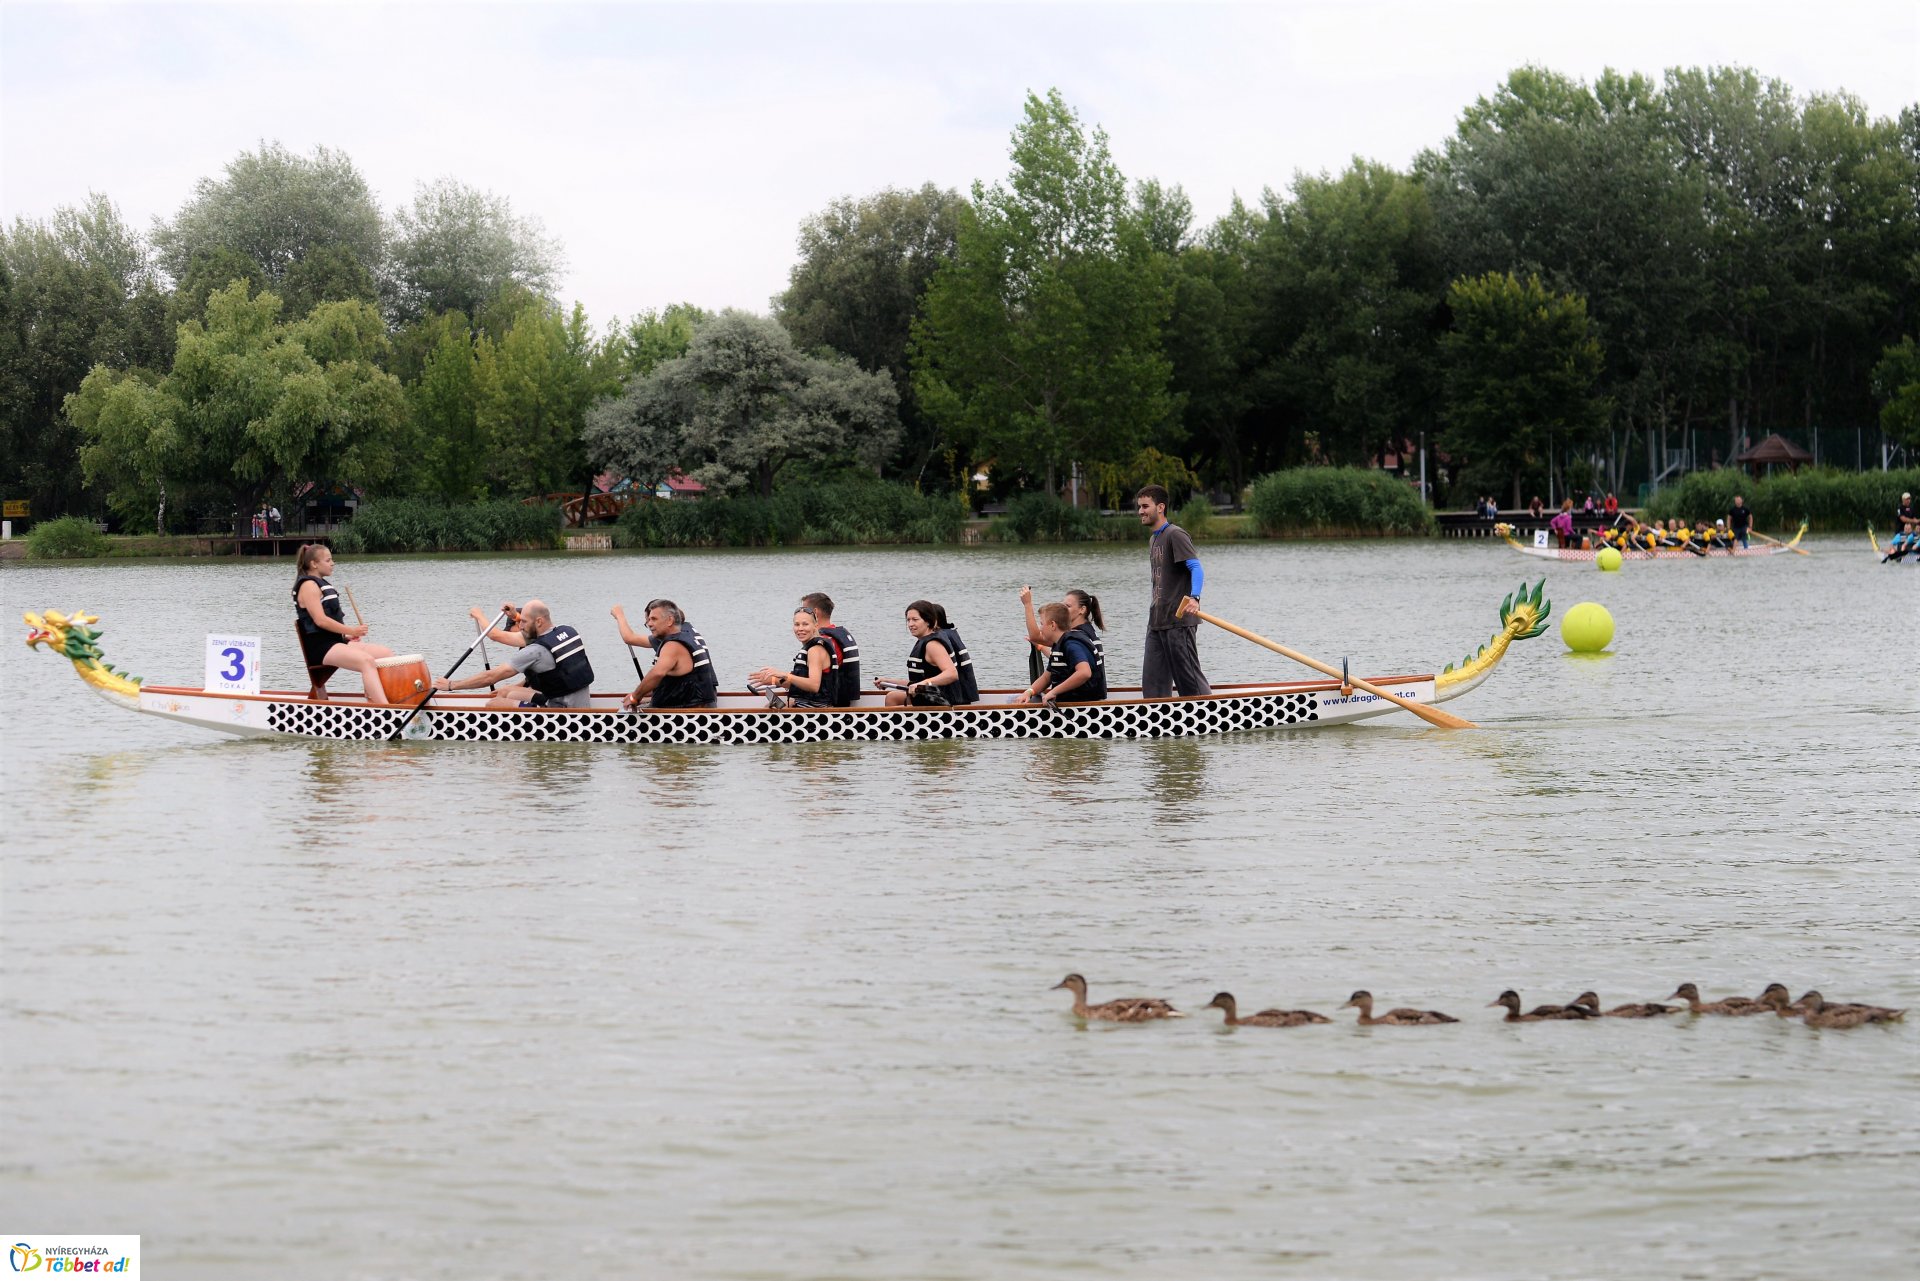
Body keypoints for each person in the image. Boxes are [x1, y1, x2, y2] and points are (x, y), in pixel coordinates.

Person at [432, 600, 595, 709]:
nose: (520, 625)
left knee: (493, 704)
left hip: (559, 712)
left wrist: (452, 685)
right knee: (504, 692)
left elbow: (491, 677)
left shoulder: (535, 650)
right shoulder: (568, 631)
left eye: (523, 621)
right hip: (574, 702)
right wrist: (516, 616)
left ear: (538, 622)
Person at [292, 544, 395, 703]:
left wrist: (345, 635)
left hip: (335, 642)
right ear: (314, 564)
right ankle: (384, 709)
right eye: (328, 560)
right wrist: (352, 630)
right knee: (366, 662)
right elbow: (320, 620)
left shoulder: (320, 583)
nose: (333, 563)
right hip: (320, 647)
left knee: (386, 654)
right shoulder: (308, 586)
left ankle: (378, 700)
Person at [1135, 484, 1211, 698]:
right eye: (1139, 507)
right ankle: (1158, 722)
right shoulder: (1153, 538)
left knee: (1189, 681)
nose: (1140, 511)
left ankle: (1207, 714)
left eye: (1145, 506)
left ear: (1160, 507)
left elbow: (1196, 568)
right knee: (1153, 684)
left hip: (1179, 620)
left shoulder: (1175, 534)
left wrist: (1194, 598)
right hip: (1156, 621)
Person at [615, 599, 718, 709]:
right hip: (694, 706)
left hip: (686, 717)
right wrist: (643, 696)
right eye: (648, 620)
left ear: (670, 621)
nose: (649, 624)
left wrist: (634, 697)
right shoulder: (687, 636)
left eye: (653, 619)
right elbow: (677, 684)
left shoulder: (673, 645)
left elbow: (657, 673)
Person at [881, 600, 979, 706]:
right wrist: (888, 681)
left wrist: (924, 683)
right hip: (931, 697)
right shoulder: (925, 640)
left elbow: (952, 674)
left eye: (915, 620)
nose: (910, 624)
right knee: (893, 696)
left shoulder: (932, 645)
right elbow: (916, 683)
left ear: (928, 621)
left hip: (943, 704)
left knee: (892, 698)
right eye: (908, 620)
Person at [747, 606, 839, 708]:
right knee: (769, 707)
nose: (800, 629)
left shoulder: (815, 650)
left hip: (816, 711)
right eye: (797, 624)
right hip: (805, 704)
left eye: (805, 624)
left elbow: (814, 686)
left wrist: (785, 675)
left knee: (767, 711)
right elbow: (800, 684)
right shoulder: (810, 647)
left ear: (815, 625)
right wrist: (773, 680)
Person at [1016, 602, 1107, 705]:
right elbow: (1047, 677)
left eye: (1042, 624)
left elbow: (1084, 673)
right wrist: (1029, 692)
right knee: (1016, 700)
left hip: (1084, 707)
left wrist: (1054, 691)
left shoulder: (1071, 644)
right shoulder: (1058, 644)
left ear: (1053, 625)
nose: (1040, 628)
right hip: (1068, 703)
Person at [798, 591, 859, 705]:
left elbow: (815, 684)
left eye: (804, 610)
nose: (800, 614)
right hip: (841, 701)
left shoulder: (821, 644)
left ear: (815, 613)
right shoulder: (839, 635)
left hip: (827, 706)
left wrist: (778, 680)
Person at [1884, 491, 1916, 561]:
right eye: (1907, 499)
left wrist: (1916, 523)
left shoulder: (1911, 508)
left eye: (1909, 499)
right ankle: (1898, 556)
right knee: (1901, 545)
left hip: (1910, 532)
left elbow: (1914, 520)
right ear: (1903, 500)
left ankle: (1911, 555)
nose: (1909, 500)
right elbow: (1903, 519)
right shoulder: (1900, 508)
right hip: (1900, 531)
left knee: (1910, 544)